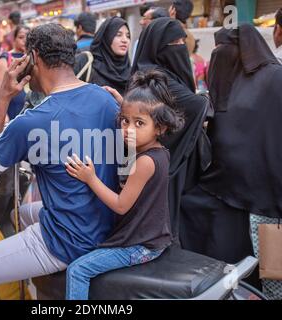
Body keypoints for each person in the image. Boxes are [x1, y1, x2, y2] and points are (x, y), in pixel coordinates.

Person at [0, 23, 120, 300]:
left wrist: (3, 95)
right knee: (19, 214)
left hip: (67, 239)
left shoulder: (33, 121)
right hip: (106, 223)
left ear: (33, 58)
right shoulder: (107, 99)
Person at [180, 26, 282, 298]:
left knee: (272, 268)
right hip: (231, 191)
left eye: (222, 50)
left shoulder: (275, 78)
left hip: (266, 198)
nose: (218, 56)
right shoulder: (229, 77)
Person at [65, 70, 183, 300]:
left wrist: (90, 178)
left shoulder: (146, 162)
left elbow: (120, 205)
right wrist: (127, 106)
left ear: (160, 128)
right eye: (124, 121)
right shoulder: (157, 151)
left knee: (77, 270)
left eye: (139, 123)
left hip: (140, 246)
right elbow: (130, 150)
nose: (128, 129)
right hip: (149, 237)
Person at [131, 17, 208, 242]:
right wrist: (203, 99)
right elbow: (197, 105)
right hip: (157, 160)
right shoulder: (155, 77)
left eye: (182, 41)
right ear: (157, 45)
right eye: (174, 43)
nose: (180, 47)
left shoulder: (150, 72)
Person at [74, 17, 131, 94]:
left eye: (128, 36)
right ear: (106, 37)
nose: (125, 40)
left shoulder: (130, 70)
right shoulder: (85, 61)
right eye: (118, 35)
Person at [0, 25, 29, 121]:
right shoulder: (5, 58)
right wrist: (3, 115)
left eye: (28, 37)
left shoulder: (31, 57)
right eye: (21, 37)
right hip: (11, 108)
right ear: (14, 39)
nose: (25, 40)